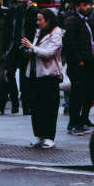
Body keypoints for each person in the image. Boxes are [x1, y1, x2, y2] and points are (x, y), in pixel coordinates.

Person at [21, 9, 64, 149]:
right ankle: (39, 136)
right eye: (37, 19)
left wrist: (31, 47)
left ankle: (49, 137)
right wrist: (27, 50)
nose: (37, 22)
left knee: (49, 107)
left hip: (49, 75)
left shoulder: (56, 34)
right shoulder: (39, 32)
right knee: (36, 107)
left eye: (40, 20)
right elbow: (36, 51)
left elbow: (49, 53)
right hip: (35, 74)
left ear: (48, 20)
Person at [63, 0, 94, 135]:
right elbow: (70, 42)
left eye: (87, 5)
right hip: (78, 64)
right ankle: (75, 123)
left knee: (81, 93)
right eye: (84, 5)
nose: (87, 7)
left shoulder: (84, 20)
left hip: (86, 62)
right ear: (77, 6)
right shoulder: (73, 20)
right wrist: (79, 60)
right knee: (77, 94)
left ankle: (76, 122)